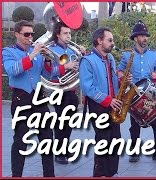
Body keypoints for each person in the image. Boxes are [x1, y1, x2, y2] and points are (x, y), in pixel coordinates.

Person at [2, 20, 58, 177]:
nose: (30, 37)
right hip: (21, 98)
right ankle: (16, 175)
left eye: (32, 34)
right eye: (26, 34)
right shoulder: (8, 52)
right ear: (17, 35)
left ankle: (49, 175)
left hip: (39, 97)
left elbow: (47, 74)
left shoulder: (37, 52)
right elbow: (13, 70)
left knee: (47, 138)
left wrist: (47, 59)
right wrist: (33, 54)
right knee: (21, 140)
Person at [117, 20, 156, 163]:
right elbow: (119, 70)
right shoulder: (127, 56)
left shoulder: (154, 54)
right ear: (135, 38)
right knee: (135, 121)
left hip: (149, 92)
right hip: (133, 93)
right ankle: (134, 151)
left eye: (146, 36)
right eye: (142, 36)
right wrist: (122, 76)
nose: (145, 38)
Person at [79, 27, 123, 177]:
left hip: (114, 104)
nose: (113, 43)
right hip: (98, 106)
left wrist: (123, 80)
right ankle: (99, 174)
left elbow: (113, 80)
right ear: (99, 41)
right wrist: (108, 100)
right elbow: (87, 87)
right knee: (103, 140)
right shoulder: (87, 60)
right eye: (109, 40)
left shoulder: (110, 58)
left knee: (116, 139)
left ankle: (112, 173)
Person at [47, 21, 86, 164]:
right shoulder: (50, 50)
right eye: (65, 33)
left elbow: (81, 67)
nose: (68, 36)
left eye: (69, 33)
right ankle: (59, 153)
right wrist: (66, 67)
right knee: (60, 123)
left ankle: (65, 148)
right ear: (57, 34)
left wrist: (83, 55)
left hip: (71, 90)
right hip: (59, 91)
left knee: (69, 123)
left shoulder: (72, 50)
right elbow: (48, 72)